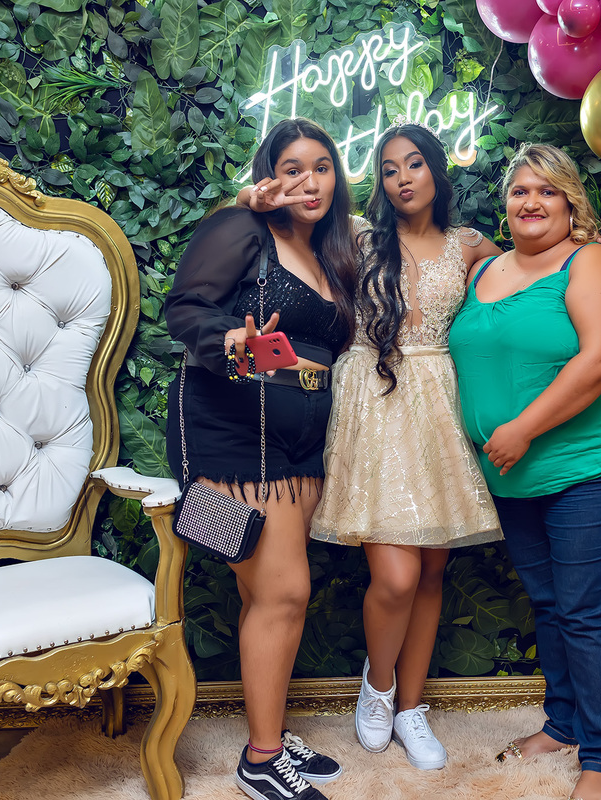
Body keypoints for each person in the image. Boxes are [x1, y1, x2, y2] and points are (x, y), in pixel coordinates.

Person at [242, 122, 502, 770]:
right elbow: (274, 230)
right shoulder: (356, 235)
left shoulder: (471, 246)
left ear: (437, 169)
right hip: (373, 403)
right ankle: (378, 687)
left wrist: (581, 248)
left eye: (414, 163)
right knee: (396, 575)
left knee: (433, 572)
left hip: (440, 407)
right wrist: (252, 198)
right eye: (389, 169)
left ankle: (411, 708)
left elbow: (530, 278)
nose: (402, 178)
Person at [447, 144, 601, 800]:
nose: (531, 202)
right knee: (549, 603)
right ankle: (563, 725)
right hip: (514, 474)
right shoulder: (485, 266)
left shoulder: (592, 262)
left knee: (585, 610)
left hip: (593, 462)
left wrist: (522, 428)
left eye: (547, 191)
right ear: (505, 205)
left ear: (571, 204)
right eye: (520, 191)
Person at [164, 117, 358, 800]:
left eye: (322, 167)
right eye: (293, 168)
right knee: (285, 592)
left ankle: (269, 730)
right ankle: (261, 759)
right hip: (233, 432)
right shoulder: (242, 229)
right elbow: (185, 308)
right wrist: (231, 340)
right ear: (268, 177)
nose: (310, 182)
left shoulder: (332, 252)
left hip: (300, 442)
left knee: (265, 594)